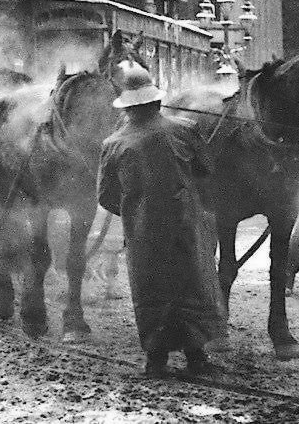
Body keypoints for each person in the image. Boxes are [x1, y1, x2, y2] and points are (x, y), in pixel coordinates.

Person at [97, 62, 226, 378]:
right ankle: (196, 358)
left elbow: (105, 196)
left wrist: (135, 211)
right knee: (191, 286)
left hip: (143, 234)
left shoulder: (113, 144)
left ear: (128, 107)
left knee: (152, 291)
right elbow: (206, 170)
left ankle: (156, 361)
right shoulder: (184, 130)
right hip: (185, 225)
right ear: (156, 101)